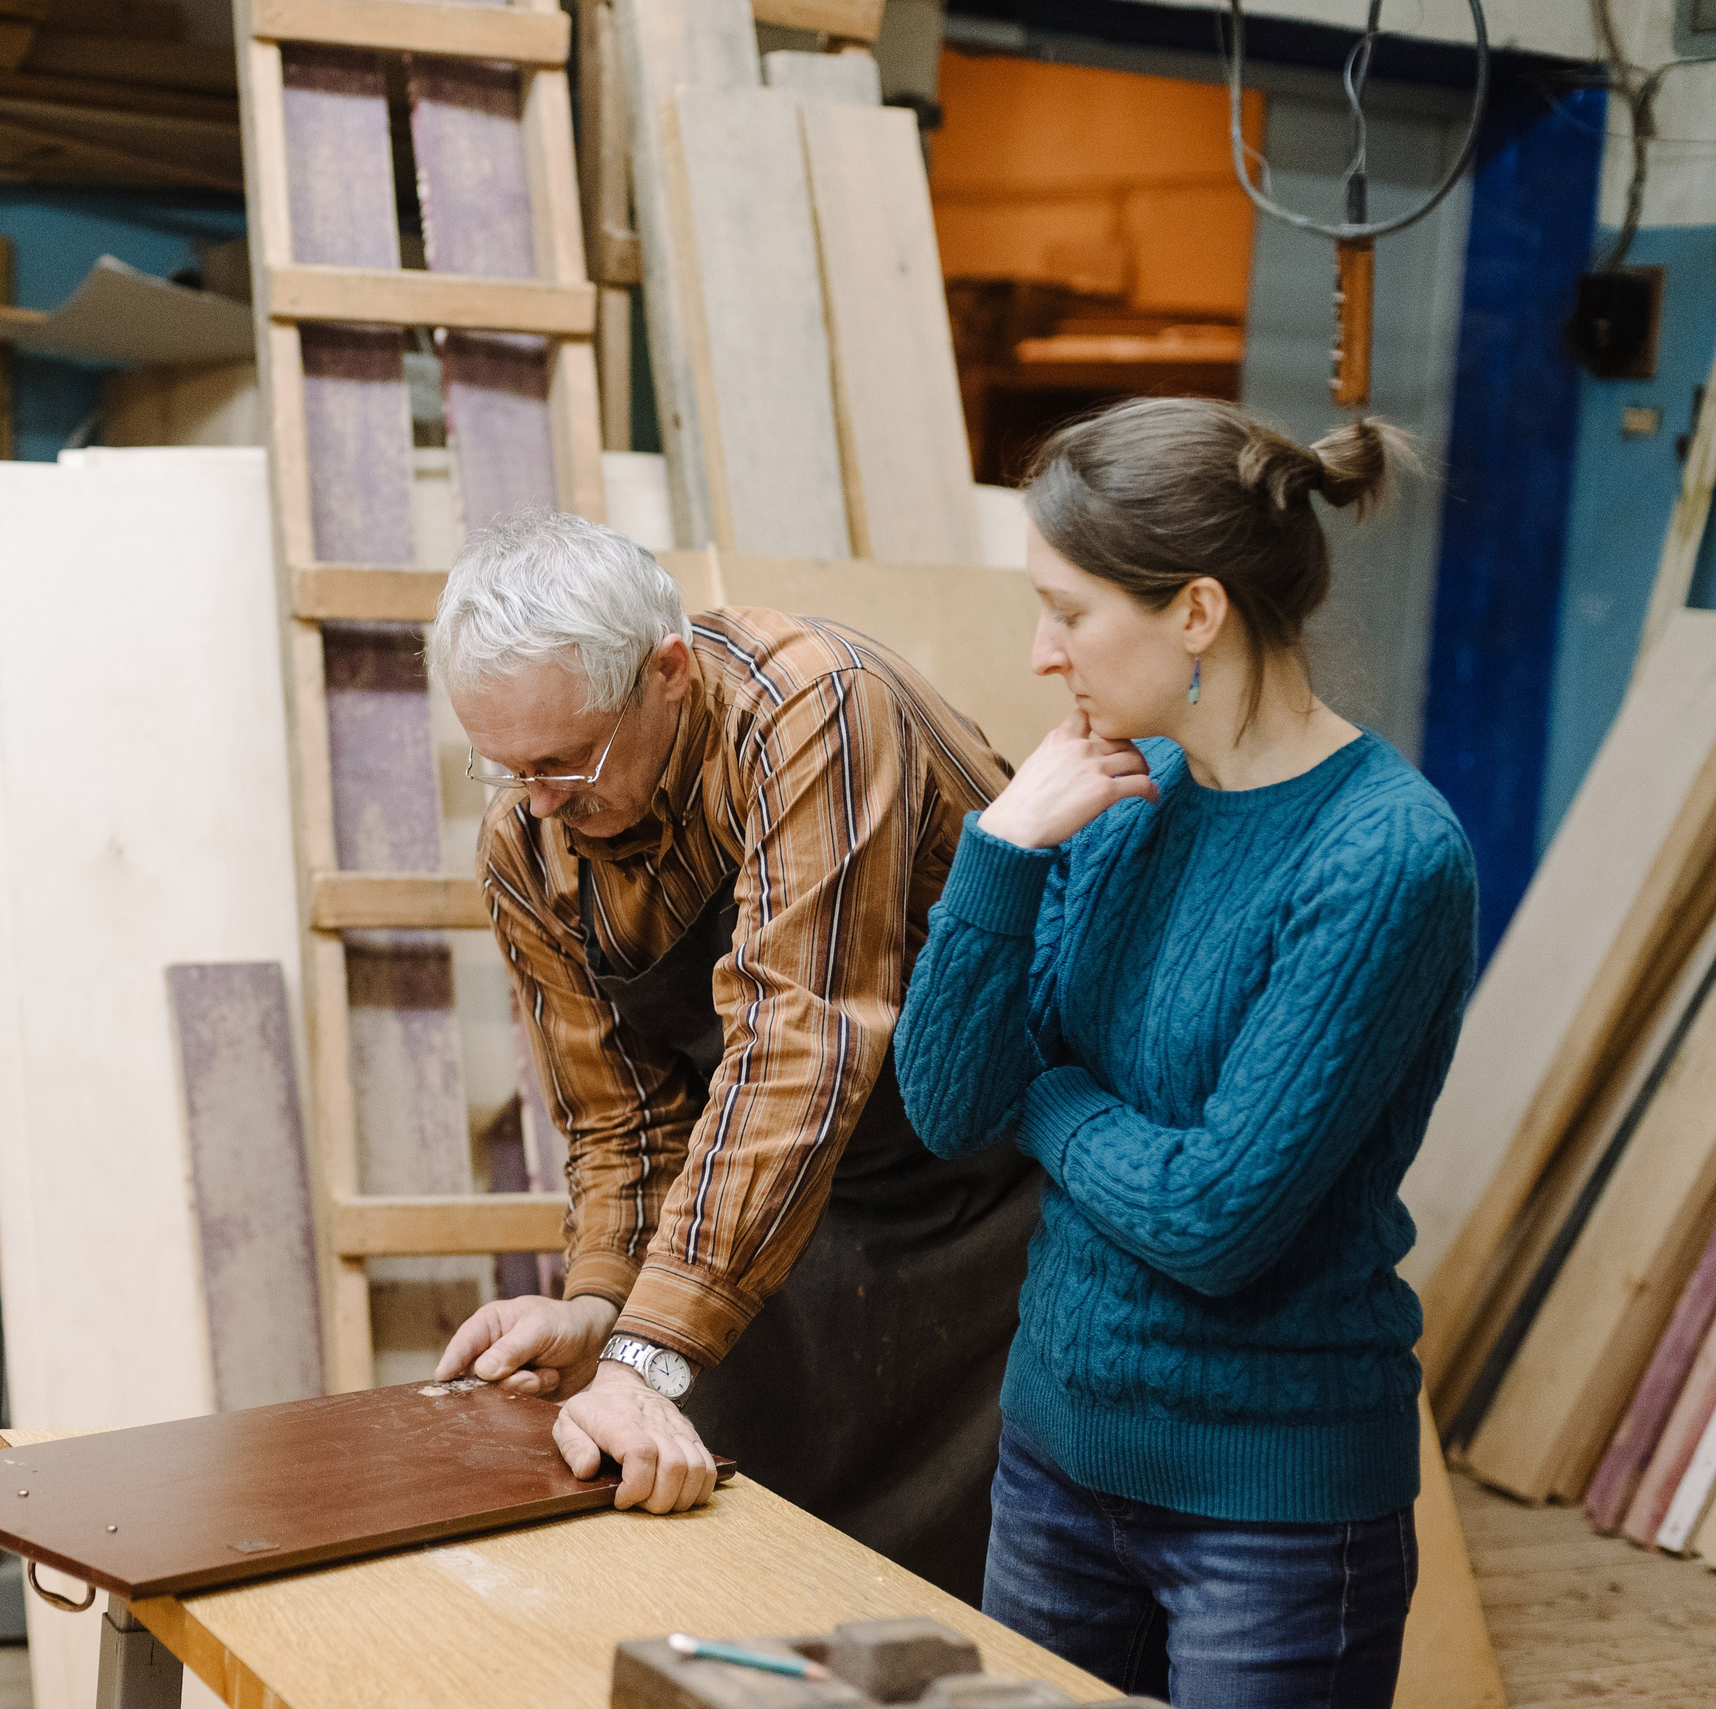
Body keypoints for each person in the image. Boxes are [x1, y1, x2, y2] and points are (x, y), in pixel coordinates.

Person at [891, 399, 1478, 1708]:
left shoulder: (1383, 856)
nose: (1042, 655)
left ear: (1197, 611)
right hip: (1052, 1460)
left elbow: (1217, 1218)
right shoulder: (1116, 795)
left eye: (1071, 612)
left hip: (1270, 1511)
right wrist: (1003, 854)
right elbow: (943, 1103)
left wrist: (1046, 1095)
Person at [426, 509, 1041, 1601]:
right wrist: (599, 1304)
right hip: (777, 1219)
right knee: (759, 1587)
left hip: (992, 1200)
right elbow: (621, 1117)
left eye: (568, 760)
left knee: (970, 1617)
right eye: (505, 765)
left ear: (667, 671)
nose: (539, 803)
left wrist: (648, 1352)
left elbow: (794, 1041)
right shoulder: (528, 836)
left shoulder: (811, 709)